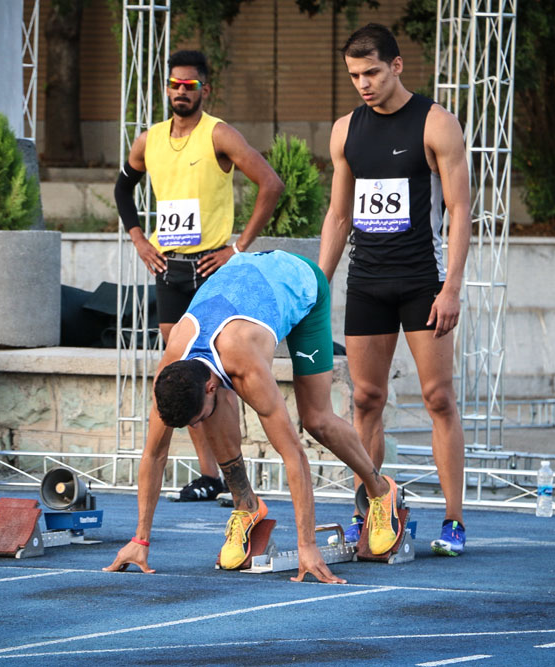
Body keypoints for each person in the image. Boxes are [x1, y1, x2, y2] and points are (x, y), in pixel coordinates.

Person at [103, 250, 401, 583]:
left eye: (195, 419)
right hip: (242, 280)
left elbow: (294, 456)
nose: (195, 427)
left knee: (317, 420)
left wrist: (307, 546)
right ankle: (246, 506)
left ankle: (379, 491)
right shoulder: (172, 369)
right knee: (212, 415)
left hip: (299, 283)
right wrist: (140, 539)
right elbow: (154, 454)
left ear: (213, 385)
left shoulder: (246, 366)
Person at [318, 24, 471, 556]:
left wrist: (451, 287)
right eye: (355, 75)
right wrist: (319, 283)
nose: (363, 83)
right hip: (367, 283)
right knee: (365, 399)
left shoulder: (436, 124)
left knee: (438, 398)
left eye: (373, 73)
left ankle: (453, 520)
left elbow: (459, 210)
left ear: (397, 66)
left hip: (421, 282)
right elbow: (339, 215)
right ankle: (370, 510)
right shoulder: (345, 131)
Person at [114, 50, 284, 501]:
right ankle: (209, 476)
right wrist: (139, 239)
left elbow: (271, 184)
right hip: (170, 269)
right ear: (167, 89)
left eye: (189, 85)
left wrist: (238, 248)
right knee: (178, 377)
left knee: (218, 379)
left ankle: (235, 481)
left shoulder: (219, 135)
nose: (180, 92)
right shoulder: (147, 141)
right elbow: (122, 188)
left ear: (204, 90)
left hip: (213, 269)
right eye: (174, 85)